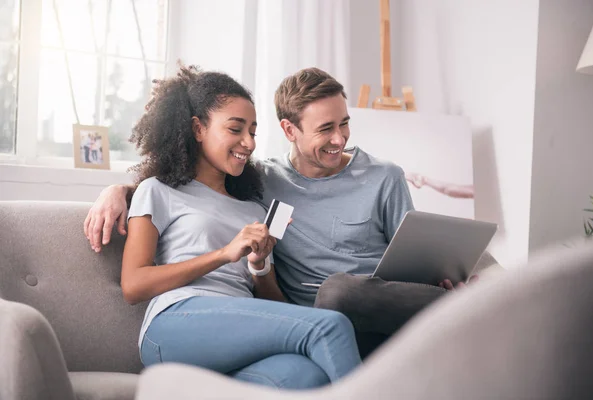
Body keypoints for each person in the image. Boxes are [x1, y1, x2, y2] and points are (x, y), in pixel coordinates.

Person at [84, 67, 476, 359]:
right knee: (334, 293)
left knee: (346, 292)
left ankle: (474, 307)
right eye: (325, 129)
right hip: (316, 324)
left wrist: (437, 283)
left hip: (378, 312)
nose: (339, 139)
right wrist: (118, 190)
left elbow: (410, 260)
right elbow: (183, 187)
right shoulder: (263, 183)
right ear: (290, 130)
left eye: (344, 124)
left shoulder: (384, 177)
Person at [118, 65, 362, 389]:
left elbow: (273, 308)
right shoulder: (158, 190)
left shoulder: (253, 208)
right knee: (329, 327)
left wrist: (258, 266)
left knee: (307, 378)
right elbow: (133, 285)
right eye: (235, 129)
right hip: (175, 325)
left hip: (234, 335)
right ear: (198, 128)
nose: (248, 143)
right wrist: (223, 254)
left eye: (253, 131)